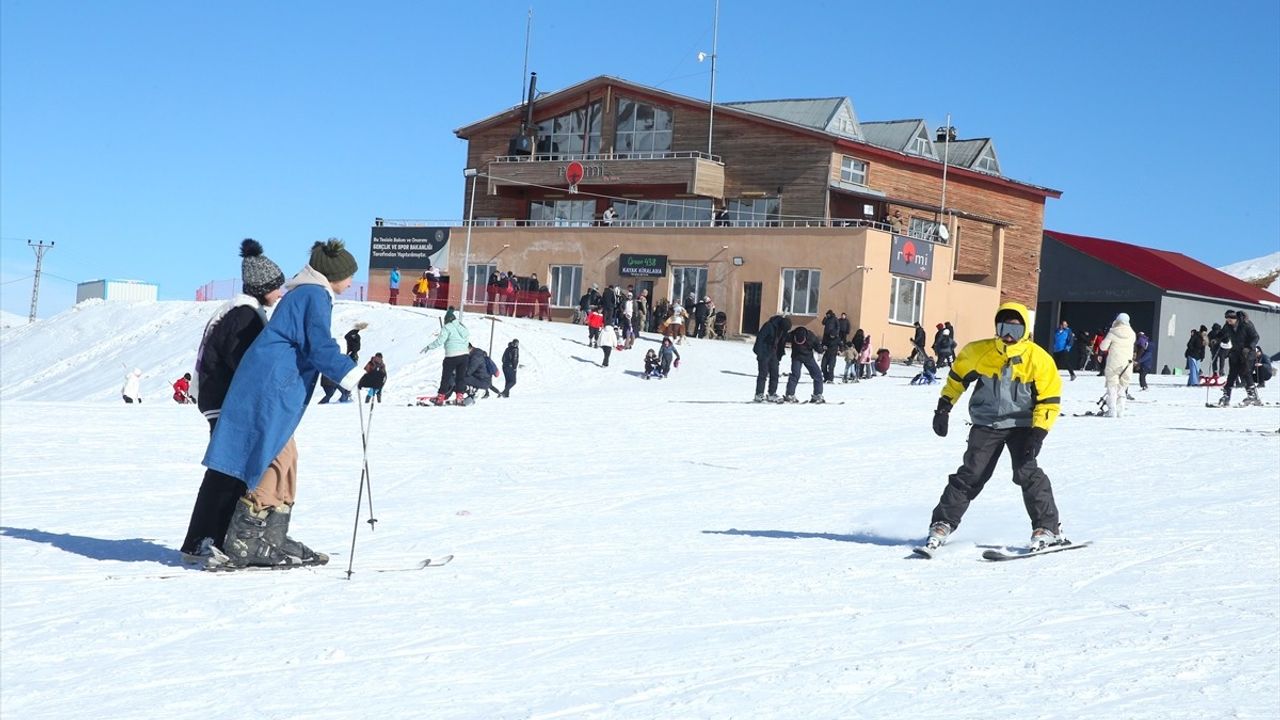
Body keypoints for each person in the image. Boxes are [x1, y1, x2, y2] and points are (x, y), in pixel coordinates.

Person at [202, 238, 362, 568]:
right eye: (349, 275)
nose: (351, 281)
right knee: (273, 455)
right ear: (334, 274)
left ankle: (272, 534)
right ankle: (246, 538)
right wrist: (355, 377)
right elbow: (319, 345)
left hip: (276, 385)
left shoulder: (309, 294)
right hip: (271, 386)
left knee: (286, 456)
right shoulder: (313, 295)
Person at [923, 302, 1064, 554]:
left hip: (1023, 425)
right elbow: (956, 379)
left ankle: (1047, 527)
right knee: (972, 473)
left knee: (1027, 472)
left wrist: (1039, 432)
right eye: (1003, 328)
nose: (1009, 335)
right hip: (987, 423)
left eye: (1015, 330)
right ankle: (942, 522)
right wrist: (944, 407)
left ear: (1025, 331)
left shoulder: (1038, 359)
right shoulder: (979, 352)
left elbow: (1049, 399)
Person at [181, 238, 288, 565]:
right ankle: (204, 539)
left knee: (229, 470)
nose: (280, 293)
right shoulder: (243, 315)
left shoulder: (241, 310)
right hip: (226, 402)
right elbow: (245, 362)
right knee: (228, 471)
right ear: (262, 287)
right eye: (276, 287)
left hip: (223, 400)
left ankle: (210, 537)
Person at [422, 308, 472, 406]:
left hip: (451, 356)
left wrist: (429, 347)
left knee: (446, 377)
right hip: (464, 356)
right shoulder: (463, 327)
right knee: (460, 377)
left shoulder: (447, 327)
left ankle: (440, 398)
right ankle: (459, 398)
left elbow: (440, 341)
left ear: (447, 320)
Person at [1216, 309, 1262, 407]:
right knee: (1231, 375)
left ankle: (1252, 396)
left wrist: (1249, 347)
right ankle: (1226, 396)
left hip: (1248, 353)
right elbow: (1222, 334)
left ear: (1235, 318)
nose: (1228, 322)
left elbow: (1256, 337)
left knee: (1245, 373)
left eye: (1230, 320)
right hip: (1236, 353)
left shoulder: (1246, 324)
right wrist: (1215, 339)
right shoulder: (1228, 326)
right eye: (1227, 320)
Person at [1098, 313, 1137, 417]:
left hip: (1114, 363)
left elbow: (1103, 347)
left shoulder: (1113, 332)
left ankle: (1112, 411)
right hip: (1127, 364)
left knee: (1112, 387)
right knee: (1122, 388)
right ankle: (1121, 410)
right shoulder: (1132, 333)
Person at [753, 314, 791, 402]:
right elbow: (760, 339)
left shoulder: (782, 329)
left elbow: (781, 341)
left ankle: (771, 394)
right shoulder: (769, 326)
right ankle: (759, 394)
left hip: (774, 353)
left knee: (775, 374)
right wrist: (760, 353)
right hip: (764, 352)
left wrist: (779, 354)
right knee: (763, 374)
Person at [783, 324, 824, 403]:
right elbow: (783, 338)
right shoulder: (792, 335)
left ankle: (817, 395)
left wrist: (820, 351)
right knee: (795, 375)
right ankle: (789, 394)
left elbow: (817, 345)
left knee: (817, 375)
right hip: (796, 357)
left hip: (808, 358)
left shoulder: (811, 336)